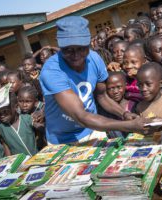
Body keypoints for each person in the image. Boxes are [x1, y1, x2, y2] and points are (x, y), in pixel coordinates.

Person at [39, 16, 149, 144]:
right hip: (62, 140)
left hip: (92, 130)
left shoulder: (94, 59)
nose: (76, 55)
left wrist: (124, 114)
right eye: (68, 50)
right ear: (59, 45)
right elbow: (81, 116)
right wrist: (128, 125)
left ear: (89, 43)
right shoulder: (51, 71)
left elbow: (102, 96)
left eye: (81, 48)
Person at [135, 62, 162, 151]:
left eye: (148, 84)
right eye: (140, 85)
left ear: (161, 83)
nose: (143, 89)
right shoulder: (140, 106)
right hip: (149, 150)